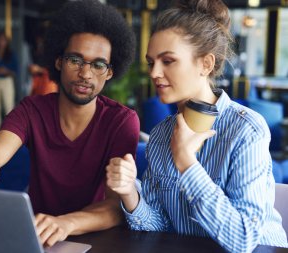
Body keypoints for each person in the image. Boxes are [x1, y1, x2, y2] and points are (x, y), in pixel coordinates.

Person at [106, 0, 288, 252]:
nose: (154, 72)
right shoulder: (160, 136)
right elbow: (159, 228)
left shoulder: (246, 130)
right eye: (151, 62)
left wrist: (186, 163)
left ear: (206, 64)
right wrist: (129, 194)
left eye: (168, 61)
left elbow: (244, 239)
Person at [0, 0, 138, 248]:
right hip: (35, 237)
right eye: (76, 60)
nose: (86, 74)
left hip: (95, 238)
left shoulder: (121, 121)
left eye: (98, 64)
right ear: (59, 61)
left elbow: (116, 206)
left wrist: (65, 223)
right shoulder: (32, 110)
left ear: (110, 72)